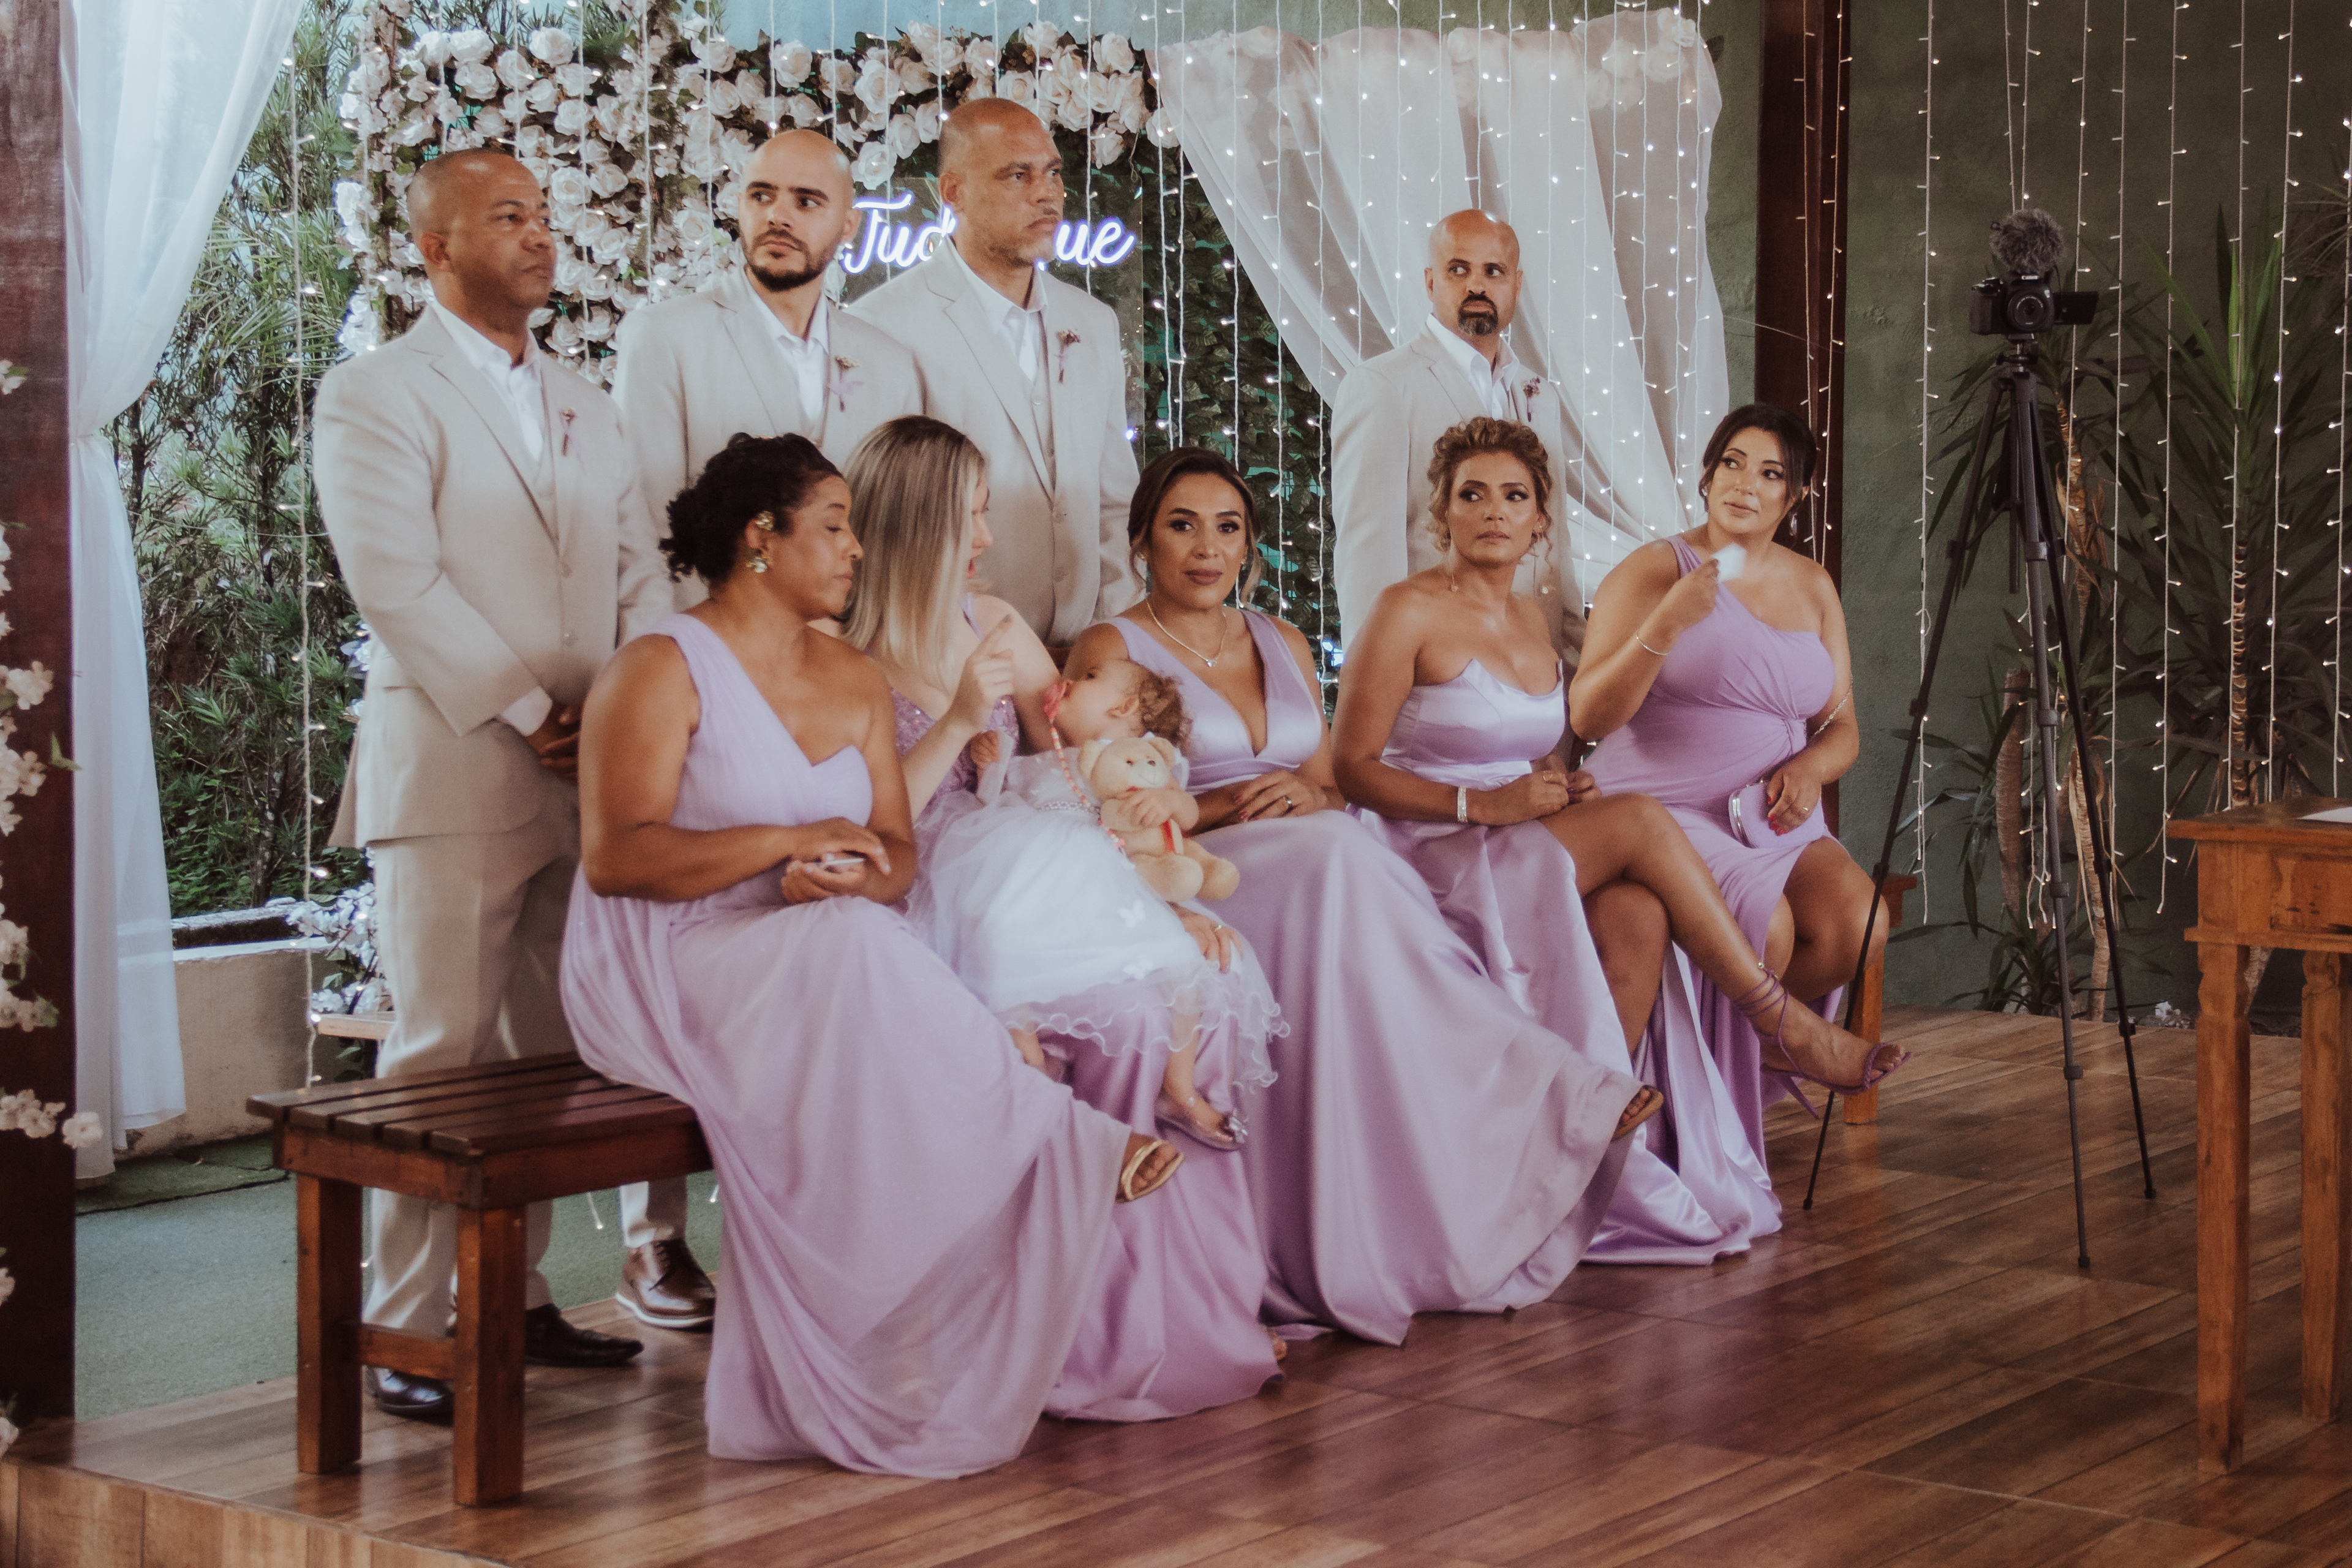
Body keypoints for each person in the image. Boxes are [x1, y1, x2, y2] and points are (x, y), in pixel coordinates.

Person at [559, 433, 1182, 1476]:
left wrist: (847, 872)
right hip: (668, 956)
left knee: (865, 930)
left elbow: (896, 856)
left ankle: (912, 1326)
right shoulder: (658, 668)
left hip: (815, 939)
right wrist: (788, 846)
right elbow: (618, 857)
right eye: (836, 526)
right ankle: (1055, 1138)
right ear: (761, 538)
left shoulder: (850, 676)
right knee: (856, 946)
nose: (857, 548)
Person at [1068, 448, 1678, 1340]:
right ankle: (1547, 1088)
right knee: (1339, 858)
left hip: (1311, 849)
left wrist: (1307, 796)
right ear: (1142, 543)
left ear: (1250, 546)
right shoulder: (1112, 648)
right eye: (1182, 526)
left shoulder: (1279, 640)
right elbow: (1097, 799)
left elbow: (1329, 784)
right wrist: (1229, 803)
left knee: (1344, 847)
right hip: (1199, 863)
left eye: (1228, 528)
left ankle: (1494, 1144)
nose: (1207, 548)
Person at [313, 148, 705, 1422]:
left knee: (553, 1052)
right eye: (506, 217)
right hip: (455, 763)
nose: (539, 235)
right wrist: (537, 710)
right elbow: (396, 577)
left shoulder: (587, 397)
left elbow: (639, 568)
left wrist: (627, 707)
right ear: (434, 248)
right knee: (441, 1048)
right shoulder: (376, 393)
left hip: (587, 767)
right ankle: (406, 1320)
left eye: (543, 214)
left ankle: (515, 1296)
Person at [843, 417, 1281, 1422]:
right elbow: (876, 820)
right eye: (970, 517)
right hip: (933, 885)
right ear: (919, 523)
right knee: (1110, 1025)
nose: (987, 538)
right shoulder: (849, 656)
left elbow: (1082, 774)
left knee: (1200, 988)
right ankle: (1069, 1333)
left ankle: (1191, 1314)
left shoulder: (995, 620)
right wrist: (961, 720)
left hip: (1037, 869)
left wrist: (1157, 903)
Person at [1332, 418, 1905, 1161]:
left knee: (1776, 918)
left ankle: (1599, 1129)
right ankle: (1779, 1023)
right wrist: (1482, 802)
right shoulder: (1412, 608)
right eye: (1473, 495)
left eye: (1514, 497)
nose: (1495, 511)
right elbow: (1356, 765)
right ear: (1442, 508)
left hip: (1685, 814)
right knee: (1699, 871)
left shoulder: (1528, 616)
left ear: (1540, 520)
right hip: (1451, 835)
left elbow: (1538, 742)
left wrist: (1551, 782)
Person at [1575, 404, 1888, 1153]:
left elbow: (1843, 728)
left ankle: (1749, 1049)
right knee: (1768, 927)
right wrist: (1666, 623)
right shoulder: (1654, 570)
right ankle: (1714, 1119)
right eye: (1733, 464)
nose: (1746, 483)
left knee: (1861, 922)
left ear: (1795, 495)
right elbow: (1588, 715)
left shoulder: (1814, 585)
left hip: (1772, 814)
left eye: (1770, 473)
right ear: (1707, 475)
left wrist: (1811, 766)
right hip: (1665, 805)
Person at [847, 99, 1139, 646]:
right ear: (954, 192)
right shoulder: (880, 327)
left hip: (1086, 656)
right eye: (1017, 175)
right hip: (950, 656)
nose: (1047, 193)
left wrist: (1114, 641)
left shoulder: (1093, 321)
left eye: (1053, 172)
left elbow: (1113, 501)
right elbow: (880, 519)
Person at [612, 129, 922, 609]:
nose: (778, 216)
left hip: (856, 639)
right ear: (739, 206)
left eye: (806, 202)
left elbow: (896, 530)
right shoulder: (664, 337)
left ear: (848, 225)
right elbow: (646, 526)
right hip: (714, 635)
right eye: (761, 196)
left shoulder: (890, 363)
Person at [1332, 211, 1602, 660]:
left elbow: (1554, 547)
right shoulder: (1383, 387)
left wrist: (1571, 661)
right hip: (1439, 665)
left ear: (1516, 285)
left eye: (1493, 271)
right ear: (1430, 282)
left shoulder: (1539, 393)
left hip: (1537, 661)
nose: (1477, 285)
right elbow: (1367, 559)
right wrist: (1381, 673)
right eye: (1459, 270)